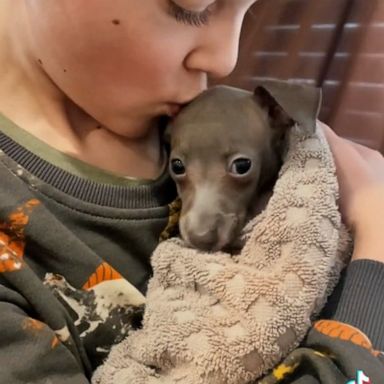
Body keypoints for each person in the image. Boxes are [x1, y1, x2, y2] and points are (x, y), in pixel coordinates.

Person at [0, 1, 382, 383]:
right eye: (189, 8)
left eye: (246, 11)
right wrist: (376, 251)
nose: (225, 60)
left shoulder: (210, 129)